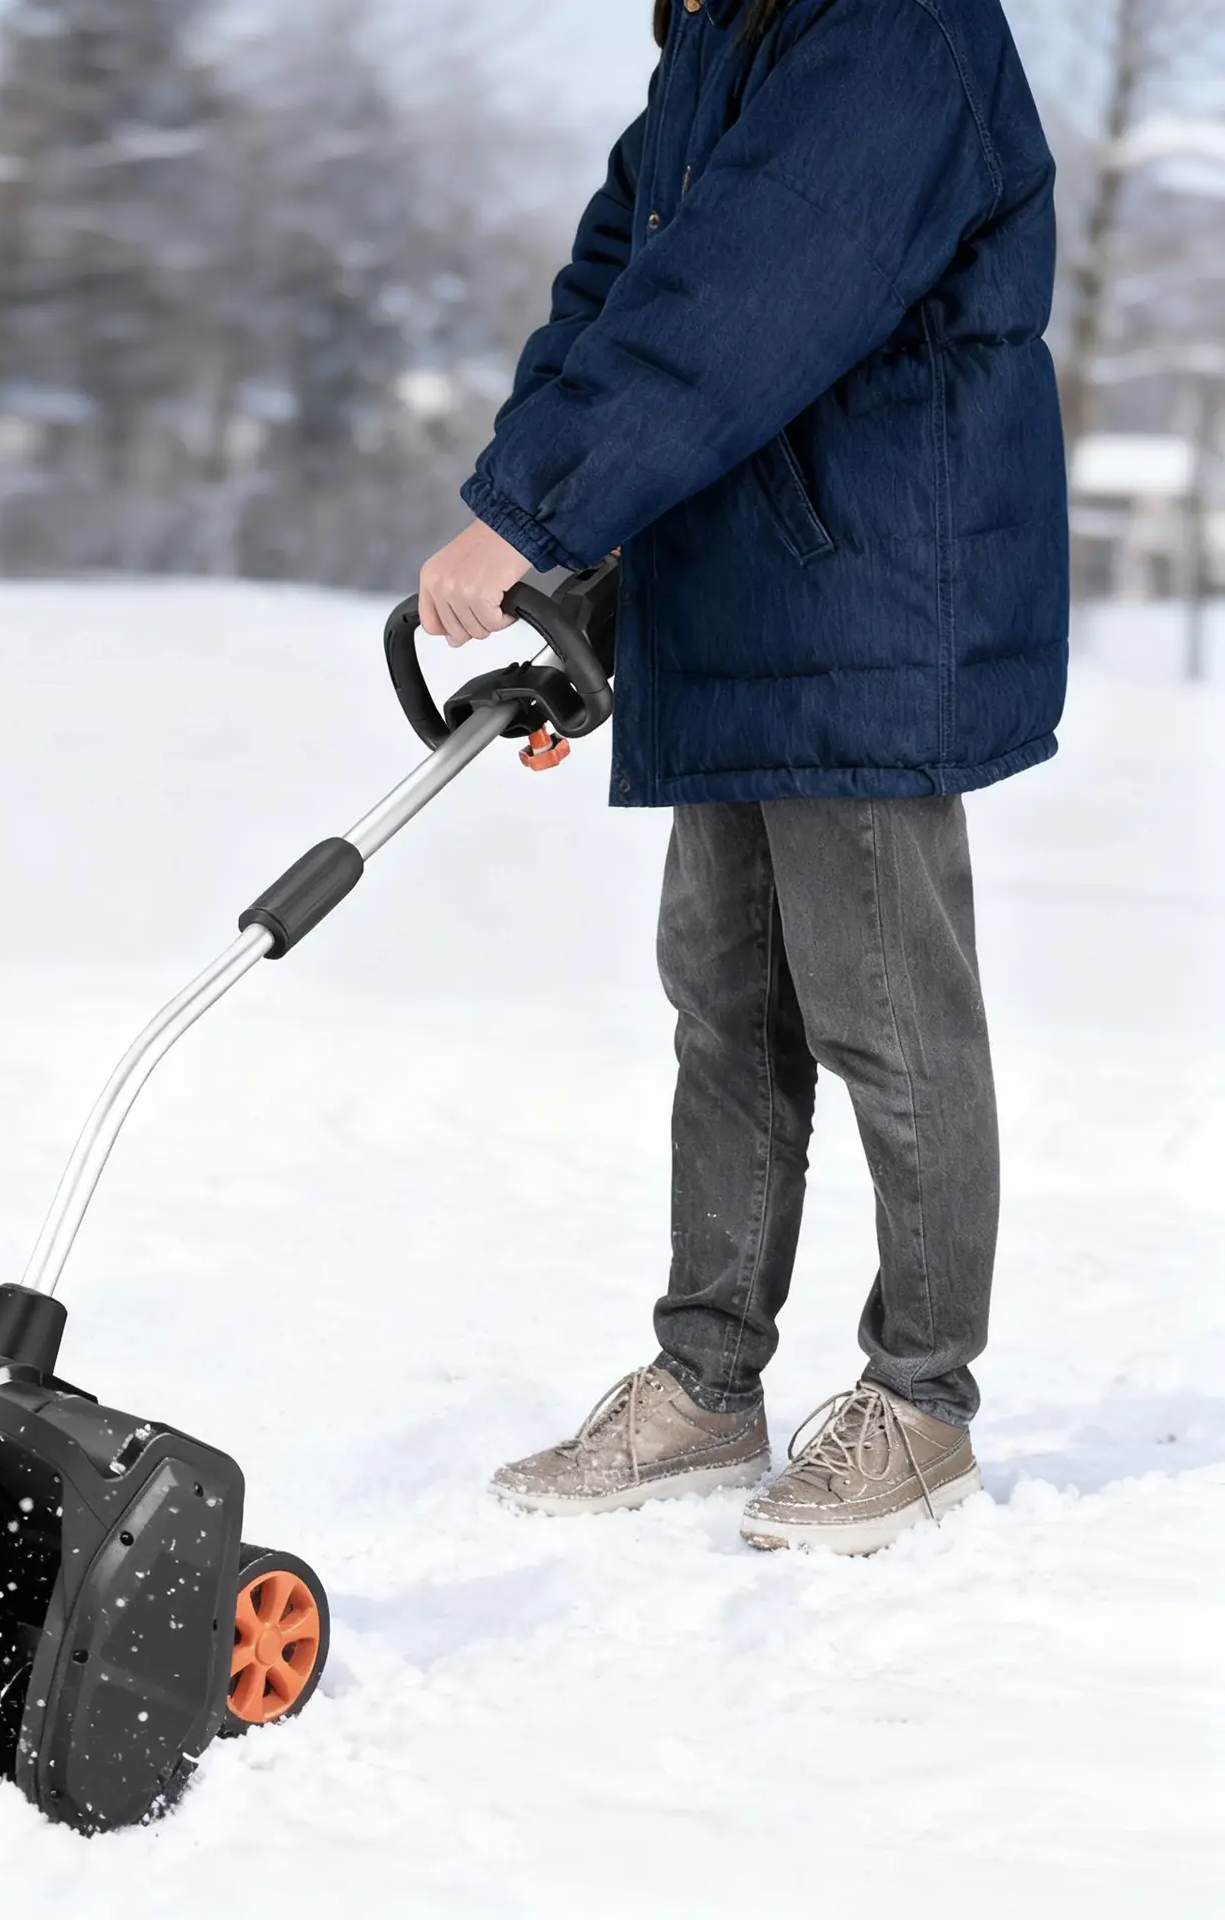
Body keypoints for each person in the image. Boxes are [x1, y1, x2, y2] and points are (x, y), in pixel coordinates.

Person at [418, 0, 1068, 1554]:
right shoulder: (722, 37)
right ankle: (709, 1383)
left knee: (886, 1011)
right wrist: (547, 519)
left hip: (864, 593)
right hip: (734, 591)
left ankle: (921, 1403)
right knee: (723, 1003)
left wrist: (541, 507)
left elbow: (752, 289)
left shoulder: (894, 30)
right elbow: (618, 282)